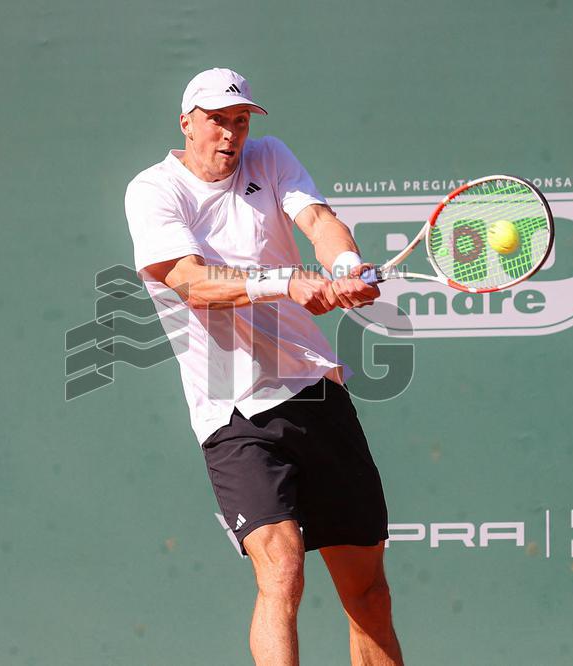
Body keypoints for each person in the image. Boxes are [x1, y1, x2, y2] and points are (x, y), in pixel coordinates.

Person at [124, 67, 404, 666]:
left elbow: (318, 221)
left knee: (369, 595)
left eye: (241, 121)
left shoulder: (270, 158)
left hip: (312, 391)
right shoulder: (152, 190)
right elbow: (190, 281)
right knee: (281, 569)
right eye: (217, 121)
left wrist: (347, 264)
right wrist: (287, 281)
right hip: (231, 408)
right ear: (186, 122)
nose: (230, 134)